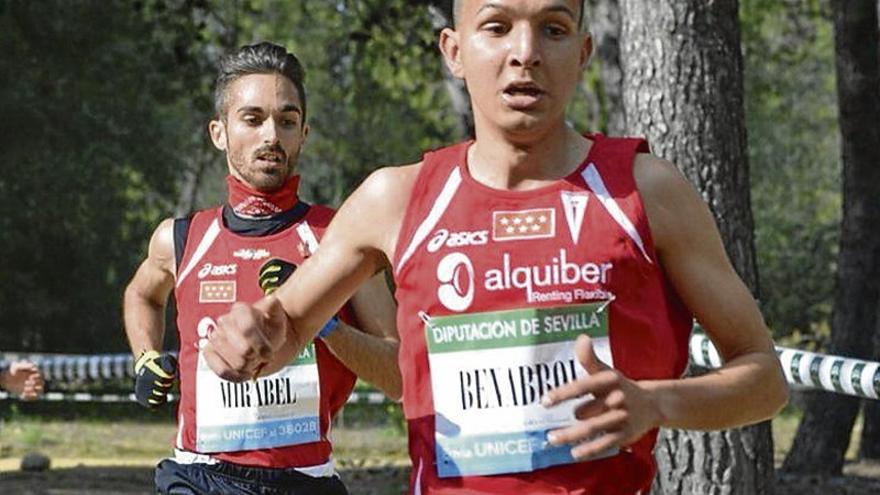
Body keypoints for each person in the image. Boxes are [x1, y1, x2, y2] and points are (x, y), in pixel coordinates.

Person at [203, 1, 789, 493]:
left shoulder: (645, 190)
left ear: (583, 53)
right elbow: (283, 331)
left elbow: (764, 377)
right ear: (454, 51)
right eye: (497, 26)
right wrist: (240, 339)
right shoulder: (396, 198)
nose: (526, 52)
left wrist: (657, 404)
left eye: (553, 29)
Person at [123, 42, 400, 495]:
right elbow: (143, 294)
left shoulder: (342, 239)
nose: (271, 135)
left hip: (303, 480)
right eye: (252, 119)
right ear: (219, 132)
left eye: (286, 121)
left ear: (303, 134)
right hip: (196, 474)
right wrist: (146, 356)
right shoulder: (180, 238)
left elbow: (399, 378)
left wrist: (320, 321)